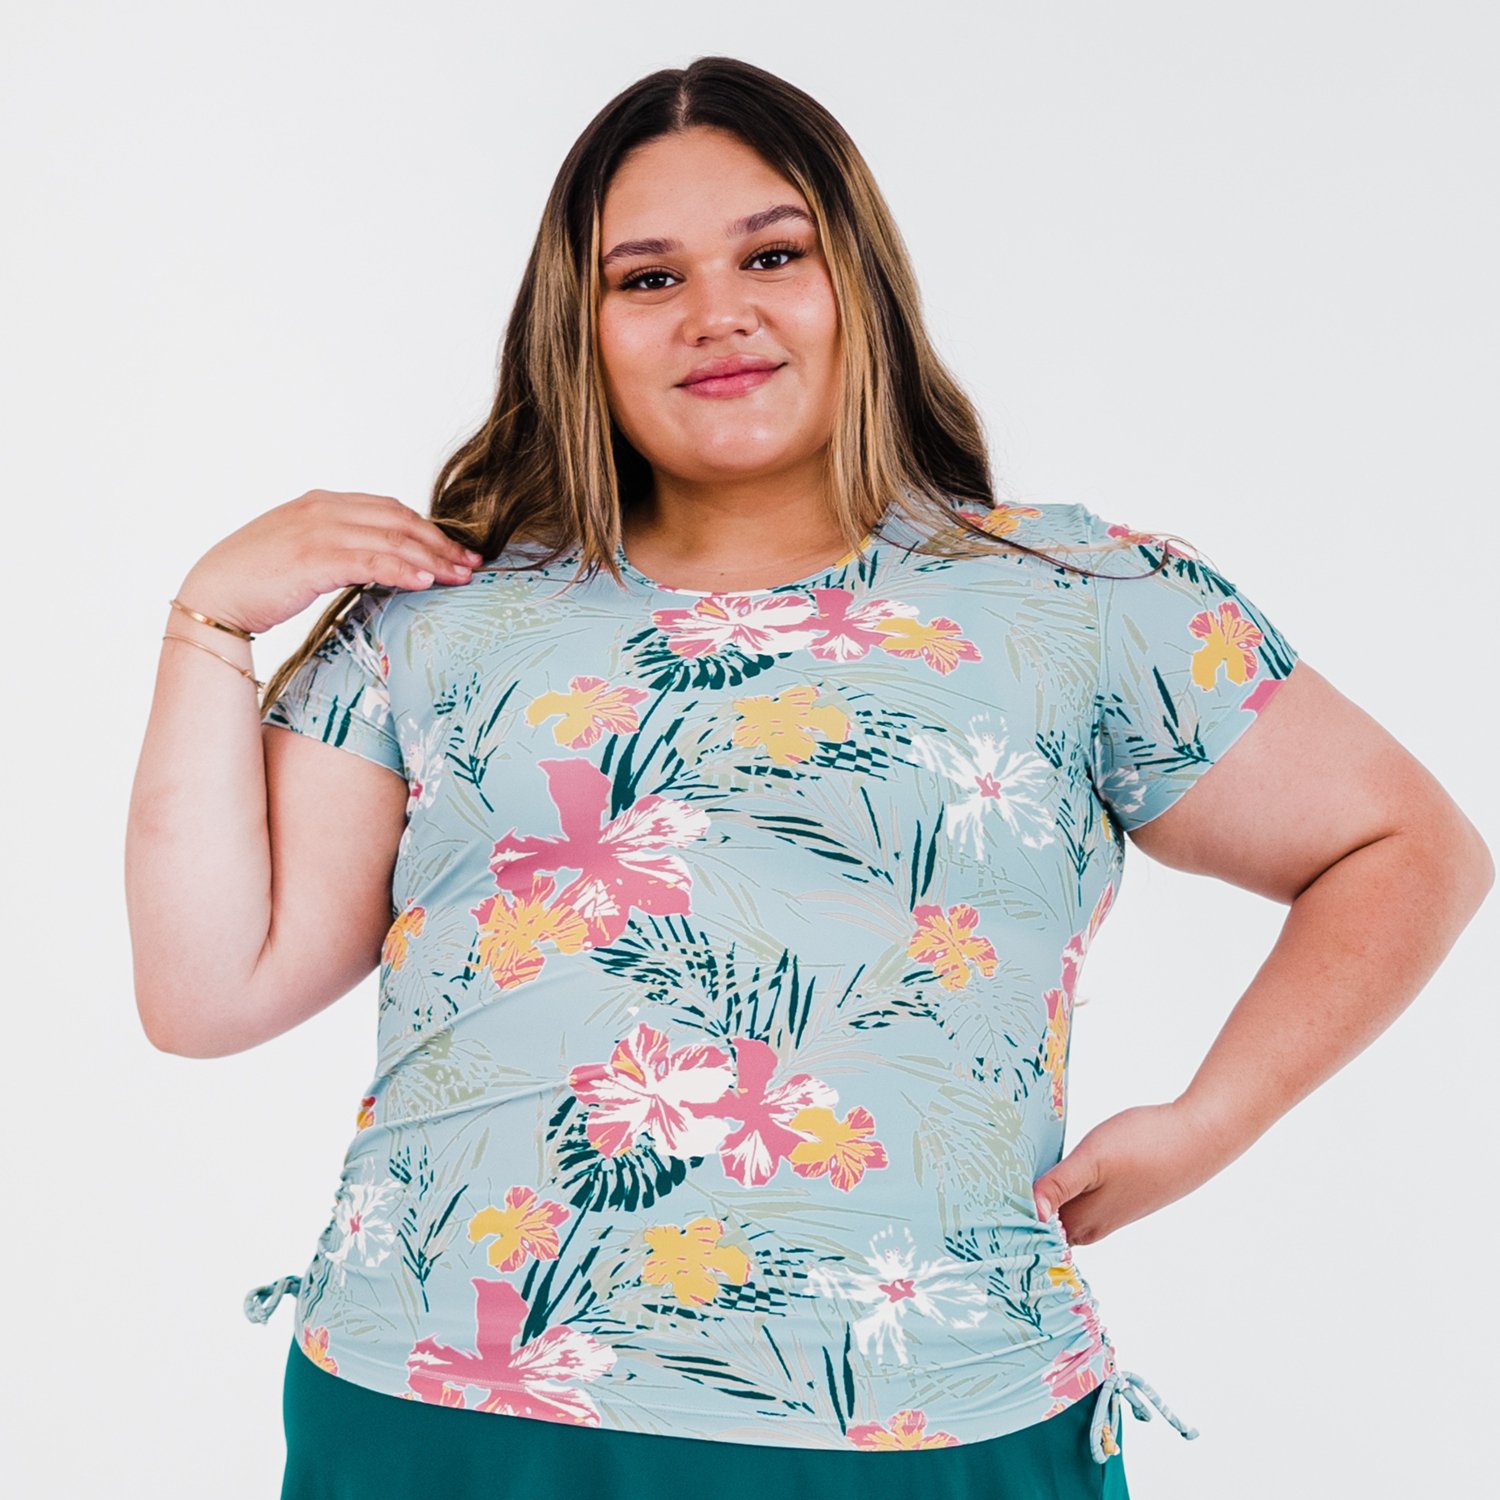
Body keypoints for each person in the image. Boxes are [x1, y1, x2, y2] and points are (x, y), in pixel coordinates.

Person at [126, 55, 1492, 1500]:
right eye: (648, 278)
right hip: (444, 1413)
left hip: (932, 1421)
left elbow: (1406, 845)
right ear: (575, 329)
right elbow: (208, 994)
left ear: (862, 284)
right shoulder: (436, 615)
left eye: (772, 255)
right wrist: (210, 623)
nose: (716, 312)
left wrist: (1209, 1124)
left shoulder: (1084, 598)